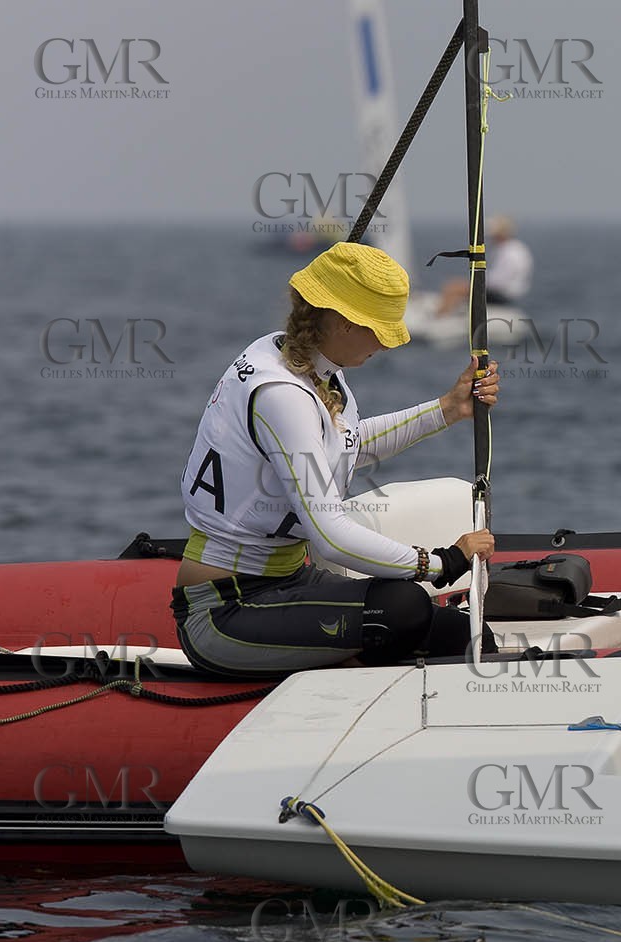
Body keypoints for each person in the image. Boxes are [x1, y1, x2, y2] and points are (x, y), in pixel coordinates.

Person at [172, 241, 502, 677]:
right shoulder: (282, 396)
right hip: (226, 611)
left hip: (290, 583)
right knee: (402, 609)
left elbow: (347, 445)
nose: (387, 345)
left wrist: (448, 409)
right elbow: (329, 537)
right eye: (380, 332)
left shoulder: (304, 361)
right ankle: (341, 670)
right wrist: (441, 563)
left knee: (462, 634)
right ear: (343, 323)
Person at [434, 215, 532, 315]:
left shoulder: (509, 252)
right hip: (506, 291)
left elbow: (499, 280)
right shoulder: (515, 248)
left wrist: (475, 282)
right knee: (458, 286)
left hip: (502, 293)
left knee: (454, 287)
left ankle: (440, 316)